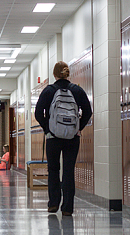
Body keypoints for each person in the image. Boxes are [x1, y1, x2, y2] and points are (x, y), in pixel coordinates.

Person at [34, 61, 92, 216]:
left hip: (53, 138)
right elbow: (88, 112)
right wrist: (78, 128)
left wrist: (48, 128)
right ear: (68, 74)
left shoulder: (49, 91)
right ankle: (67, 208)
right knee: (68, 171)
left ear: (54, 74)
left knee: (53, 170)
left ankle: (53, 204)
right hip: (72, 138)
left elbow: (38, 113)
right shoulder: (77, 91)